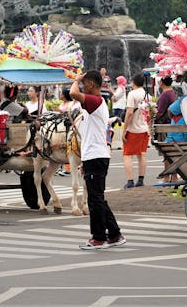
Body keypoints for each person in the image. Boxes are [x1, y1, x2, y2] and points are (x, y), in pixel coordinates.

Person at [70, 70, 125, 250]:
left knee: (95, 200)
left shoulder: (95, 100)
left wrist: (76, 80)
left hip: (97, 156)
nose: (83, 86)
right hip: (93, 156)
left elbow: (72, 93)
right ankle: (115, 234)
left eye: (85, 83)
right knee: (98, 198)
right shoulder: (93, 104)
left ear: (91, 84)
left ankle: (99, 237)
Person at [122, 73, 151, 189]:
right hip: (144, 129)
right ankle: (141, 180)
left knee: (127, 155)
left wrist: (124, 130)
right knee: (142, 155)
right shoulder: (147, 94)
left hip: (133, 129)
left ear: (133, 82)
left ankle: (130, 181)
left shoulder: (132, 94)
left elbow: (129, 113)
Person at [154, 77, 179, 183]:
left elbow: (160, 112)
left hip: (165, 125)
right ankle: (173, 175)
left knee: (166, 151)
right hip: (172, 123)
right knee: (171, 151)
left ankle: (168, 176)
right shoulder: (173, 92)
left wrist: (153, 115)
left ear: (162, 83)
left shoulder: (165, 94)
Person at [56, 88, 81, 177]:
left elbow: (73, 115)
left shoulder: (77, 104)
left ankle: (70, 167)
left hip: (72, 127)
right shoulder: (72, 104)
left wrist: (61, 112)